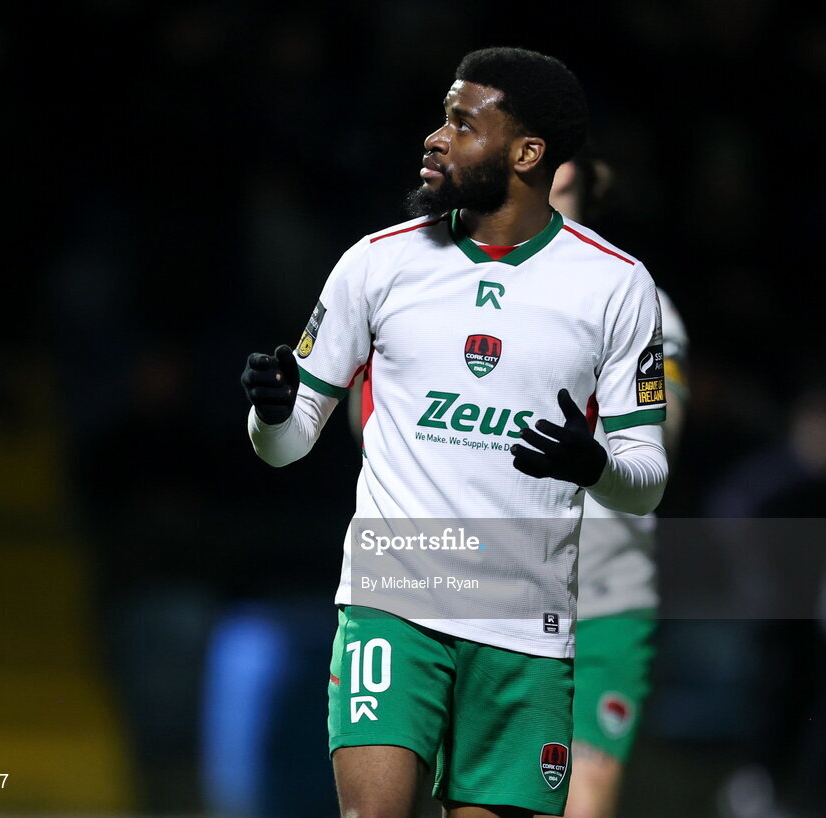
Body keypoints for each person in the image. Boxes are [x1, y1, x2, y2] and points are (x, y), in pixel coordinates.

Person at [241, 47, 668, 818]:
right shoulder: (377, 264)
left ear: (527, 152)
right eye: (442, 118)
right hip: (393, 598)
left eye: (463, 124)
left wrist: (596, 463)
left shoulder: (616, 285)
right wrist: (271, 412)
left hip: (525, 623)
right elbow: (290, 441)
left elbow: (646, 479)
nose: (436, 138)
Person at [547, 158, 689, 818]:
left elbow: (663, 435)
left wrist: (593, 456)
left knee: (585, 792)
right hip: (490, 583)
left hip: (602, 592)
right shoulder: (457, 293)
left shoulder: (643, 303)